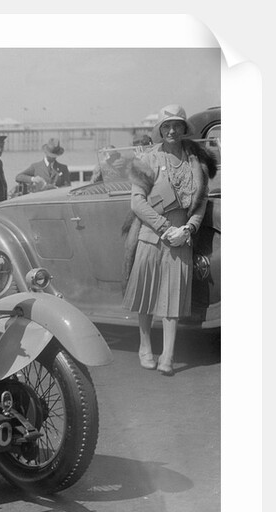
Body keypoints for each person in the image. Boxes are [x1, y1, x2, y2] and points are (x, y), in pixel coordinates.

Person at [122, 105, 217, 376]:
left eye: (176, 125)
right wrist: (165, 227)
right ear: (160, 130)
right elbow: (137, 202)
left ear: (184, 129)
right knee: (146, 294)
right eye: (166, 126)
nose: (172, 130)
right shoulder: (147, 160)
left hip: (181, 237)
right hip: (152, 235)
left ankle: (169, 355)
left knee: (173, 298)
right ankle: (144, 348)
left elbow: (200, 204)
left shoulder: (195, 164)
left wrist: (188, 229)